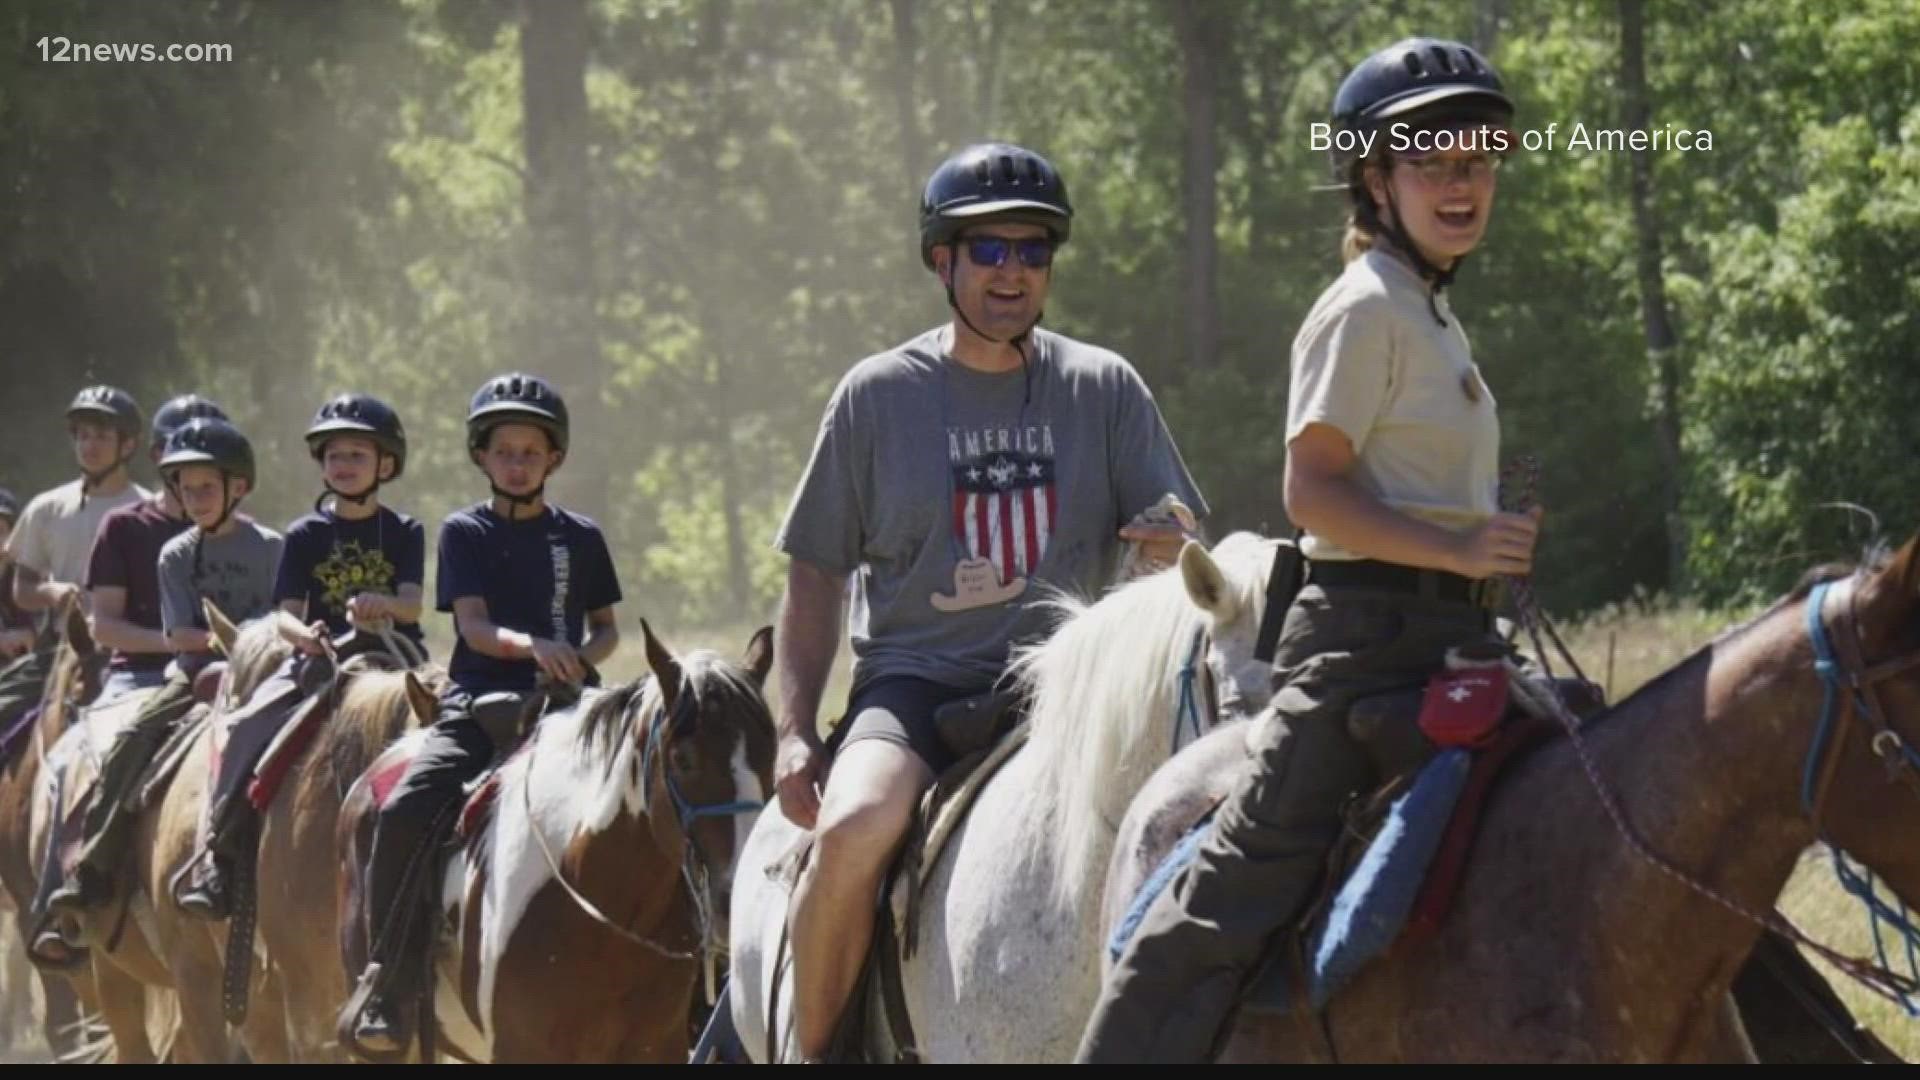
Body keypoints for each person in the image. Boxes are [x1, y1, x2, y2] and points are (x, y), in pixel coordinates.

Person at [1075, 37, 1537, 1062]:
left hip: (1454, 640)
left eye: (1478, 160)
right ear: (1376, 179)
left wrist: (1478, 554)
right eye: (1433, 162)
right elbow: (1311, 488)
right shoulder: (1366, 304)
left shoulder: (1431, 312)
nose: (1462, 184)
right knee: (1228, 895)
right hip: (1359, 648)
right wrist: (1460, 546)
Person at [772, 141, 1207, 1061]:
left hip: (1071, 695)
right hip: (917, 687)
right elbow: (815, 573)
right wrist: (795, 728)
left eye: (1033, 251)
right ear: (943, 260)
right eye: (989, 251)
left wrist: (1173, 546)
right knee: (854, 827)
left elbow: (1178, 538)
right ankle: (814, 1050)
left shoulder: (1105, 386)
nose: (1013, 272)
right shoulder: (875, 396)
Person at [338, 373, 622, 1060]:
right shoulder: (464, 531)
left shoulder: (581, 537)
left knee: (647, 802)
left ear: (553, 458)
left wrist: (581, 657)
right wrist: (536, 646)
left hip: (569, 703)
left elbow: (607, 629)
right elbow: (473, 628)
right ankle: (389, 981)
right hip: (477, 704)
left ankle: (696, 977)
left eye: (531, 451)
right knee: (403, 808)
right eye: (504, 451)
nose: (517, 462)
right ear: (481, 456)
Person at [174, 393, 426, 920]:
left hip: (393, 656)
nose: (344, 466)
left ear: (385, 464)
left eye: (357, 455)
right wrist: (304, 633)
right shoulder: (306, 533)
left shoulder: (405, 531)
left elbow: (412, 603)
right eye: (334, 456)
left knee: (445, 722)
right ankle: (220, 850)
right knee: (248, 723)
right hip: (325, 657)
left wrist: (385, 605)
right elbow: (283, 613)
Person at [42, 417, 283, 922]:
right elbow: (181, 637)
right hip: (197, 673)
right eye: (184, 488)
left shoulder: (272, 547)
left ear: (237, 486)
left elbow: (288, 616)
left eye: (205, 487)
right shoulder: (174, 554)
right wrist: (235, 640)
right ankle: (94, 863)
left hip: (267, 671)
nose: (194, 498)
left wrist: (260, 645)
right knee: (133, 736)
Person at [85, 395, 229, 704]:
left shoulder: (243, 532)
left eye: (207, 455)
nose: (192, 464)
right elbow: (104, 627)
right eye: (179, 451)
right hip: (139, 676)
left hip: (226, 675)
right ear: (156, 455)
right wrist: (183, 643)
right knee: (108, 748)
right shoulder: (122, 526)